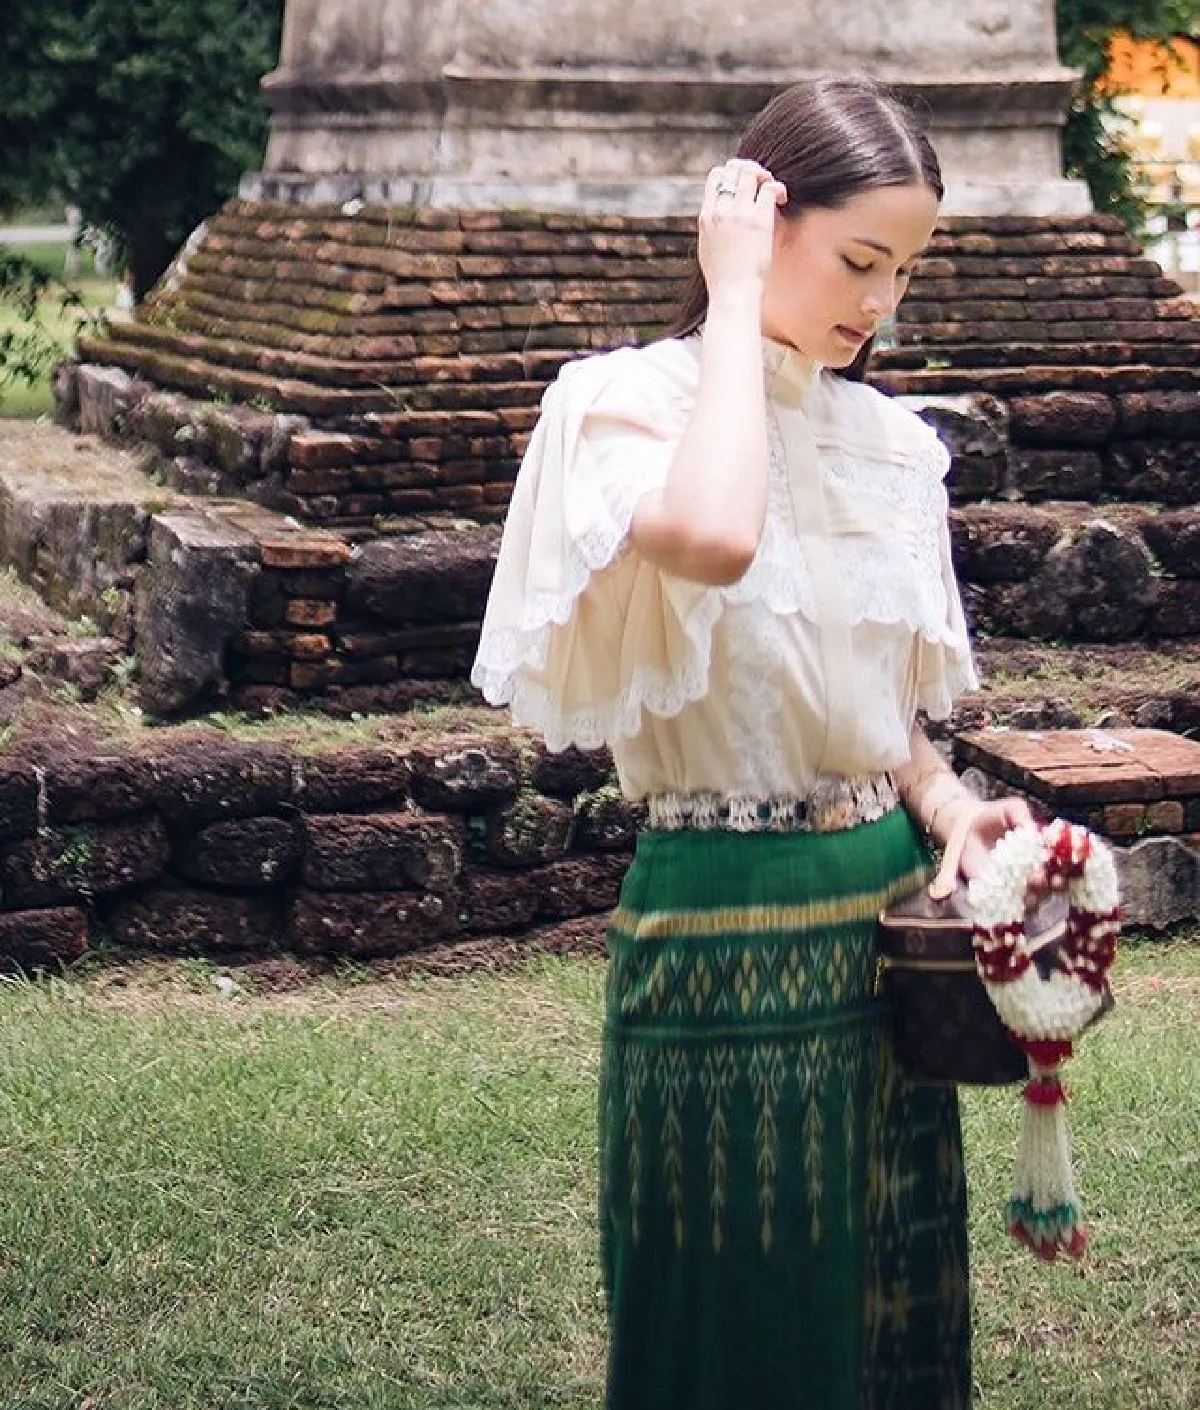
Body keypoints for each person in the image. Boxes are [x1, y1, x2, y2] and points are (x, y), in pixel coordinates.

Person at [471, 74, 1032, 1410]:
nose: (879, 302)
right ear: (762, 216)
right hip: (721, 913)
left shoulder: (890, 442)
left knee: (885, 1312)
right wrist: (729, 302)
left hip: (891, 925)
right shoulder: (619, 406)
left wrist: (949, 809)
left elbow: (877, 705)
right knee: (730, 1314)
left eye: (905, 271)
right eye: (857, 259)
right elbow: (718, 538)